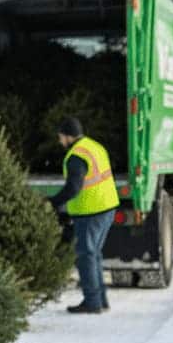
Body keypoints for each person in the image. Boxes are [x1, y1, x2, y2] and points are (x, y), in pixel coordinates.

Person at [48, 117, 119, 314]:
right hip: (107, 206)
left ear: (68, 136)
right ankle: (100, 300)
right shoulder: (94, 146)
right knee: (94, 253)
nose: (59, 140)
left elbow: (73, 188)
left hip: (91, 211)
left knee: (85, 255)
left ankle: (92, 302)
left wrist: (53, 203)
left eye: (60, 136)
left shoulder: (76, 157)